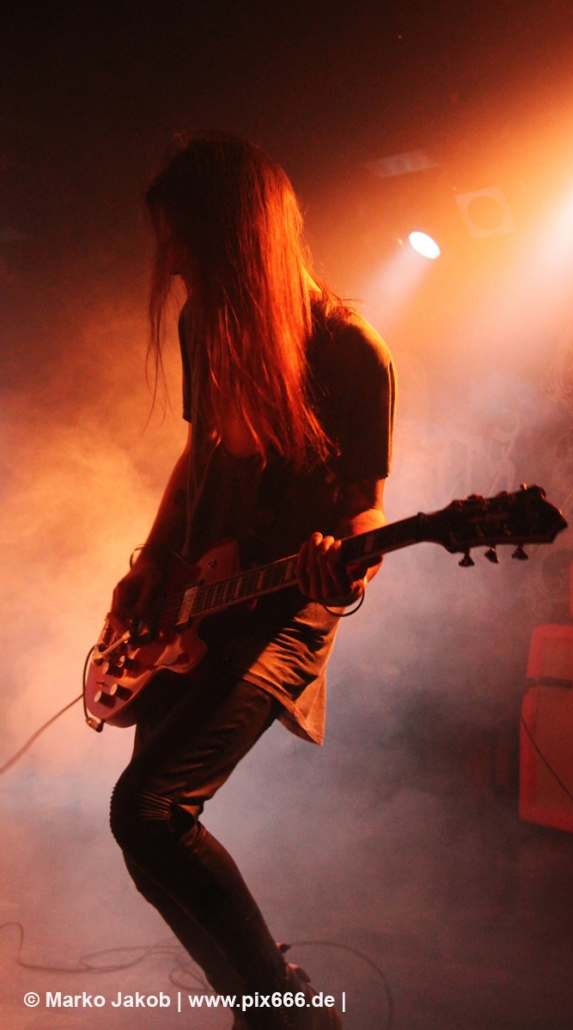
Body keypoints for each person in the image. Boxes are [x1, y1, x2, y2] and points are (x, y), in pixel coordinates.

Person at [107, 133, 395, 1030]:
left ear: (234, 238)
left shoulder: (349, 350)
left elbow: (365, 514)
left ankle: (282, 1013)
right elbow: (197, 458)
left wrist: (344, 568)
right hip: (196, 598)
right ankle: (265, 1012)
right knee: (145, 836)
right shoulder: (205, 324)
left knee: (150, 810)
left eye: (184, 241)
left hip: (283, 610)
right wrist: (150, 563)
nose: (171, 262)